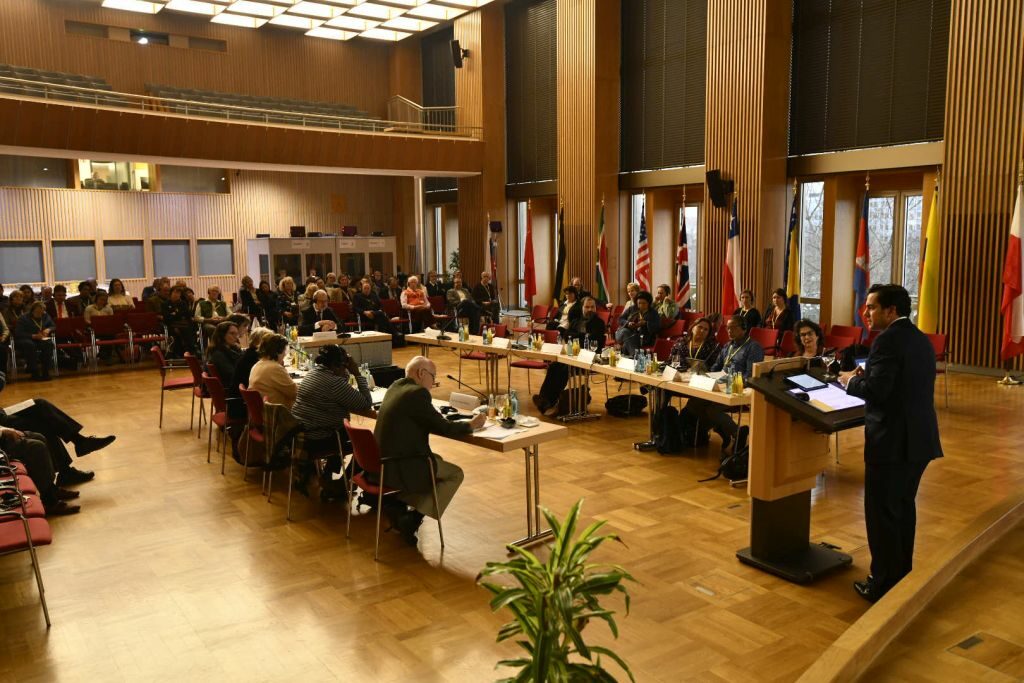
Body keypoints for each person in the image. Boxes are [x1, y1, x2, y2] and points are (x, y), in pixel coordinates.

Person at [839, 284, 942, 602]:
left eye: (871, 307)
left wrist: (851, 381)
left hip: (892, 443)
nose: (865, 313)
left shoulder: (885, 340)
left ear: (891, 310)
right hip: (919, 440)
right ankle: (901, 576)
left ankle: (882, 583)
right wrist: (869, 376)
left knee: (882, 514)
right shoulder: (919, 339)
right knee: (902, 509)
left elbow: (879, 392)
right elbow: (901, 384)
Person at [373, 356, 486, 546]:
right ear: (421, 373)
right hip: (399, 463)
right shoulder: (417, 394)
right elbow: (445, 428)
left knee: (438, 460)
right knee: (454, 474)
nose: (433, 384)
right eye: (433, 377)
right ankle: (412, 520)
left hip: (381, 459)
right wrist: (471, 425)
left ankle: (399, 504)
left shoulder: (396, 386)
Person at [0, 383, 115, 489]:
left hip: (3, 414)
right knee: (43, 422)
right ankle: (73, 457)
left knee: (40, 404)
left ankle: (77, 446)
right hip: (2, 423)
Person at [290, 344, 372, 486]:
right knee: (365, 443)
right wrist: (357, 374)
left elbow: (341, 389)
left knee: (340, 430)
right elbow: (366, 403)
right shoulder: (334, 383)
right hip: (317, 440)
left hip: (299, 436)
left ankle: (328, 475)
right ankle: (343, 484)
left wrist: (344, 372)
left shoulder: (312, 374)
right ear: (337, 365)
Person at [683, 314, 764, 454]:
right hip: (719, 384)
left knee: (711, 409)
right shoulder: (727, 346)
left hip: (737, 389)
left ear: (744, 329)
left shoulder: (753, 347)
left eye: (733, 328)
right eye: (727, 328)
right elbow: (716, 366)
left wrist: (732, 383)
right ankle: (724, 431)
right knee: (694, 404)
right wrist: (708, 376)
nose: (729, 331)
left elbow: (751, 375)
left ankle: (737, 433)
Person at [532, 297, 606, 414]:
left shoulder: (599, 323)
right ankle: (544, 399)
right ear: (582, 308)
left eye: (592, 307)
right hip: (572, 356)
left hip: (588, 359)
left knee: (564, 369)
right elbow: (567, 336)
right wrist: (583, 335)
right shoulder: (576, 321)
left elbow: (595, 341)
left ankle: (550, 401)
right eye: (587, 307)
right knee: (554, 366)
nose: (590, 309)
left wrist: (578, 336)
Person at [248, 332, 297, 409]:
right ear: (278, 351)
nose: (285, 354)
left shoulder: (257, 365)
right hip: (277, 414)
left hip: (264, 412)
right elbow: (295, 393)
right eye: (285, 350)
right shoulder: (274, 368)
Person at [14, 302, 55, 381]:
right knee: (30, 345)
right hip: (26, 338)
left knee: (49, 344)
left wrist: (48, 329)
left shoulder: (45, 316)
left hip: (40, 338)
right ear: (33, 310)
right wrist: (33, 336)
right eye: (38, 312)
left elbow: (53, 325)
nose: (40, 313)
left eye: (42, 311)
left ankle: (46, 371)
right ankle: (34, 372)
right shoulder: (23, 318)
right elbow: (19, 333)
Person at [615, 291, 660, 356]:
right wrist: (628, 323)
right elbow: (620, 319)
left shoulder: (653, 313)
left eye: (644, 303)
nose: (641, 305)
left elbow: (657, 327)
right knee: (625, 332)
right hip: (624, 334)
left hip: (642, 339)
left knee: (626, 345)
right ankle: (636, 356)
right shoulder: (632, 309)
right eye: (639, 303)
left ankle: (630, 357)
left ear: (648, 303)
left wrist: (646, 323)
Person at [206, 320, 243, 385]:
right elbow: (232, 375)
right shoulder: (218, 354)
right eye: (232, 333)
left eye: (236, 334)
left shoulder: (230, 349)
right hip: (230, 389)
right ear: (222, 335)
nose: (236, 337)